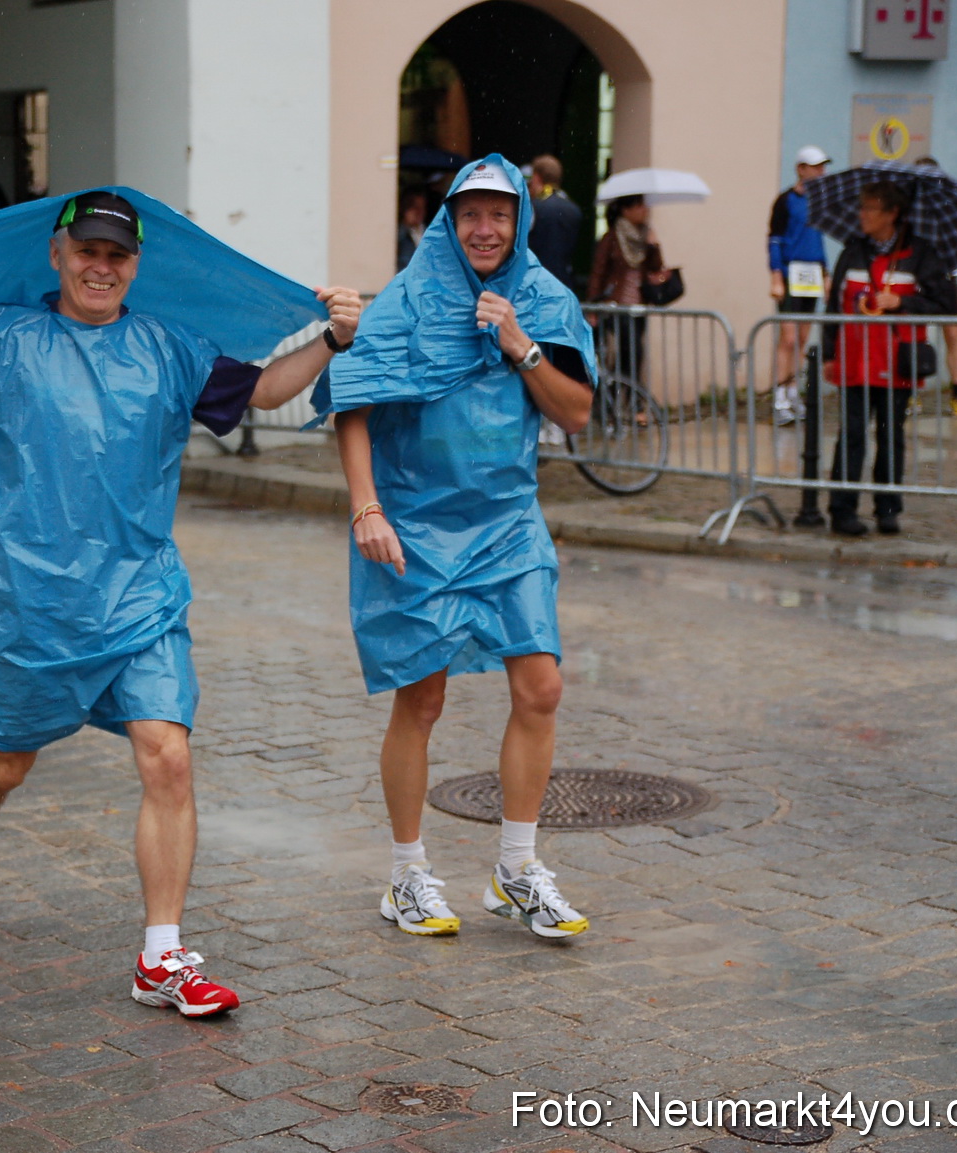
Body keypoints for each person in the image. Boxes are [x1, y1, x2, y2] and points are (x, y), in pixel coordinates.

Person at [0, 190, 363, 1016]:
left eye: (117, 255)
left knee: (169, 754)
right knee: (4, 763)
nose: (101, 267)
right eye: (88, 251)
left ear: (135, 266)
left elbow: (262, 392)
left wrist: (332, 338)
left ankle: (162, 955)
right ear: (57, 254)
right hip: (27, 601)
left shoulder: (168, 346)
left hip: (139, 595)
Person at [320, 156, 596, 942]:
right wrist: (366, 506)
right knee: (424, 698)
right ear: (449, 219)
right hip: (417, 524)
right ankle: (406, 875)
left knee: (540, 687)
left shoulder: (542, 299)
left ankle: (516, 870)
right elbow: (354, 402)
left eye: (499, 215)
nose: (485, 229)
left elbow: (575, 413)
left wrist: (520, 344)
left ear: (520, 222)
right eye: (470, 214)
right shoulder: (407, 300)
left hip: (508, 521)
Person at [822, 180, 957, 538]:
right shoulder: (852, 251)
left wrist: (902, 302)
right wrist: (829, 351)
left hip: (895, 362)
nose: (861, 215)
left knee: (890, 435)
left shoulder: (922, 253)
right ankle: (842, 510)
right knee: (851, 436)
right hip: (853, 362)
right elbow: (833, 304)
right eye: (862, 207)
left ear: (892, 214)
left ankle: (887, 509)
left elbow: (947, 304)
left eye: (869, 208)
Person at [767, 145, 831, 426]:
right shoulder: (785, 201)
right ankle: (780, 396)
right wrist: (776, 276)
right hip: (792, 274)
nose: (821, 172)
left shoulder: (820, 202)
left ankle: (794, 392)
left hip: (812, 276)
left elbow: (819, 241)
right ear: (801, 169)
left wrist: (826, 275)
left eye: (822, 167)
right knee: (788, 338)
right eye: (815, 167)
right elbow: (774, 240)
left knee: (803, 340)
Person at [587, 195, 668, 387]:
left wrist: (654, 246)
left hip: (639, 305)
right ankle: (624, 401)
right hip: (616, 305)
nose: (644, 210)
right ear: (626, 210)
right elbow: (598, 272)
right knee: (629, 352)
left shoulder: (645, 236)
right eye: (639, 206)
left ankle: (623, 399)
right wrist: (592, 307)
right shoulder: (612, 237)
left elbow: (656, 267)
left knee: (632, 355)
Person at [915, 157, 957, 417]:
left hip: (947, 277)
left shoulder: (950, 205)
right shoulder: (910, 209)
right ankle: (911, 394)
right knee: (915, 336)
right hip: (919, 279)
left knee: (953, 336)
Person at [526, 154, 581, 290]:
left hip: (535, 282)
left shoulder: (533, 207)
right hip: (564, 282)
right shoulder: (574, 209)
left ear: (536, 177)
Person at [397, 186, 428, 271]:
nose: (420, 212)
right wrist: (406, 224)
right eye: (415, 208)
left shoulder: (429, 233)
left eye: (422, 208)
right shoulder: (399, 234)